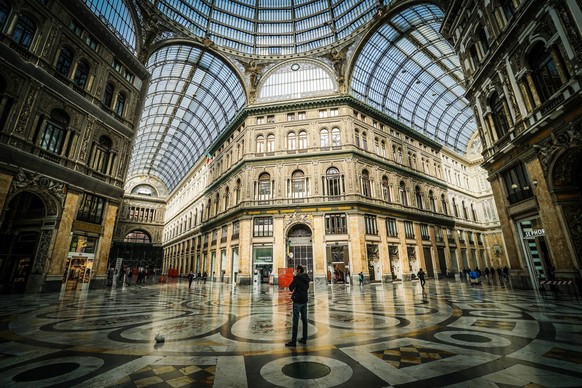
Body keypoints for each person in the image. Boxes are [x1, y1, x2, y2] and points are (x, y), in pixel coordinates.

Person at [286, 265, 311, 347]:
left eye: (297, 270)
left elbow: (290, 288)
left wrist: (295, 285)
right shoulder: (306, 278)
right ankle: (304, 338)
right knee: (304, 320)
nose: (296, 271)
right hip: (304, 300)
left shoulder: (297, 278)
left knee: (295, 321)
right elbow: (306, 287)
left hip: (297, 301)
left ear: (299, 270)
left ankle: (293, 341)